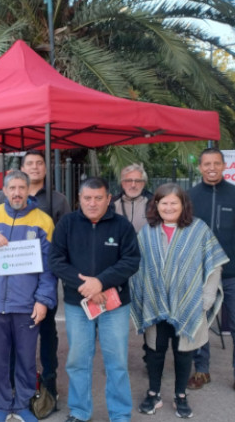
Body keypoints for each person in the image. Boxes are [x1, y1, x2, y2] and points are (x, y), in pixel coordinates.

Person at [130, 183, 229, 419]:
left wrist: (205, 300)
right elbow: (137, 267)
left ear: (184, 205)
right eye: (163, 202)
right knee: (155, 350)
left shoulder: (199, 230)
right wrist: (142, 298)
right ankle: (153, 392)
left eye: (174, 202)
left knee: (183, 352)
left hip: (189, 303)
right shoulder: (147, 231)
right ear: (156, 205)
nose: (169, 206)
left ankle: (180, 395)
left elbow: (214, 265)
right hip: (155, 304)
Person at [49, 177, 140, 422]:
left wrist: (101, 282)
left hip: (114, 304)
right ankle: (79, 411)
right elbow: (56, 260)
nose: (92, 203)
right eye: (87, 198)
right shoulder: (67, 224)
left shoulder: (122, 226)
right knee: (78, 359)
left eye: (98, 198)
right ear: (79, 199)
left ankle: (120, 414)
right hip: (77, 304)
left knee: (117, 361)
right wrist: (87, 286)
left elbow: (131, 261)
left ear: (108, 199)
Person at [0, 170, 57, 422]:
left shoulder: (43, 221)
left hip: (26, 303)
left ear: (28, 190)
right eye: (12, 188)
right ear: (5, 190)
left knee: (26, 358)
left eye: (22, 188)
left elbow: (49, 266)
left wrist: (43, 300)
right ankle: (1, 405)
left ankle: (21, 405)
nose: (17, 193)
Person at [187, 148, 235, 402]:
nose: (211, 168)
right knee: (200, 325)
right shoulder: (189, 196)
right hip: (200, 274)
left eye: (216, 163)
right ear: (200, 167)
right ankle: (202, 371)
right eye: (206, 163)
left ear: (224, 166)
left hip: (233, 274)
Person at [19, 149, 69, 401]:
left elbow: (63, 239)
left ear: (46, 169)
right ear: (22, 167)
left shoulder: (58, 200)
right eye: (30, 163)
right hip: (16, 275)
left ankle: (50, 380)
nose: (35, 167)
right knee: (19, 328)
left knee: (47, 329)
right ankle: (23, 381)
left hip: (45, 276)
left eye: (40, 163)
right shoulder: (12, 195)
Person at [111, 163, 152, 233]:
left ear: (143, 184)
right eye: (129, 181)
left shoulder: (153, 202)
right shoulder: (112, 204)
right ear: (123, 183)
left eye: (138, 181)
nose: (133, 185)